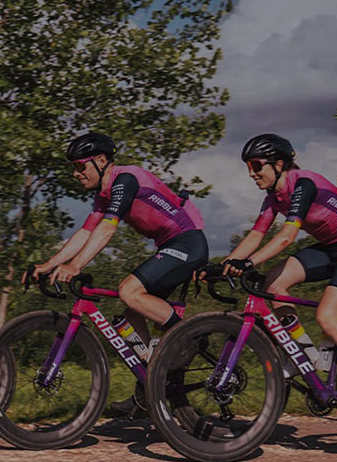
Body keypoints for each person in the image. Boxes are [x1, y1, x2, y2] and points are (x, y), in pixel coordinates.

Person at [217, 133, 337, 419]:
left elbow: (286, 238)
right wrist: (226, 264)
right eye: (248, 166)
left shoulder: (303, 184)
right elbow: (256, 235)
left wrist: (248, 263)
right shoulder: (273, 197)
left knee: (326, 316)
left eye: (257, 166)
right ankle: (303, 354)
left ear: (279, 164)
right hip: (332, 248)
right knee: (274, 282)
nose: (251, 173)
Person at [34, 132, 209, 364]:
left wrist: (75, 265)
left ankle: (190, 338)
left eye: (79, 166)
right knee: (130, 323)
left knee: (128, 291)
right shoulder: (103, 194)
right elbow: (86, 232)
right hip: (169, 246)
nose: (75, 173)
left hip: (188, 243)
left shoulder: (125, 180)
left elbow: (107, 229)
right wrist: (50, 264)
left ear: (101, 161)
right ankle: (154, 384)